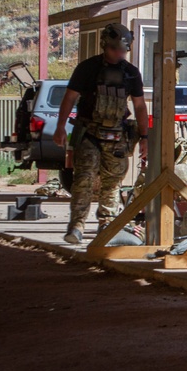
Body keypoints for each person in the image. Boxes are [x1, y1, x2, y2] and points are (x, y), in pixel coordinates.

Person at [52, 23, 149, 244]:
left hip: (117, 136)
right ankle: (76, 225)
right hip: (89, 133)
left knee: (112, 183)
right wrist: (60, 127)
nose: (119, 54)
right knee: (83, 180)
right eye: (115, 49)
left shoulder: (131, 74)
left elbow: (140, 106)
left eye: (123, 50)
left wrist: (144, 138)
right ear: (105, 45)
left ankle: (107, 224)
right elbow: (69, 98)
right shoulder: (87, 68)